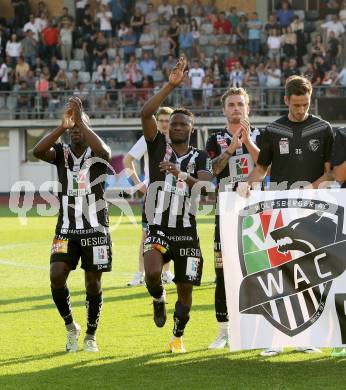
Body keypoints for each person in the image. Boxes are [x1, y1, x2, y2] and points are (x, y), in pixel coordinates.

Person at [239, 75, 334, 357]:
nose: (301, 109)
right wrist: (249, 182)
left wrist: (310, 189)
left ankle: (307, 335)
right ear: (285, 101)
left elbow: (331, 172)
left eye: (305, 104)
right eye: (296, 105)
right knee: (279, 272)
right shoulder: (272, 130)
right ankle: (275, 338)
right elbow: (262, 168)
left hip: (313, 212)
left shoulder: (323, 129)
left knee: (309, 274)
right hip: (279, 212)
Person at [141, 57, 212, 353]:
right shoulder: (158, 144)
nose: (177, 127)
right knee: (152, 273)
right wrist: (170, 85)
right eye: (174, 123)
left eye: (183, 124)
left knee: (186, 289)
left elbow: (207, 187)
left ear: (191, 130)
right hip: (158, 225)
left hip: (186, 230)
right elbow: (145, 113)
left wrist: (182, 174)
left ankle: (178, 336)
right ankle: (158, 298)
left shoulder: (201, 156)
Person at [32, 97, 112, 353]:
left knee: (93, 284)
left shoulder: (96, 153)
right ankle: (70, 327)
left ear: (88, 128)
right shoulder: (62, 153)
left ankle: (90, 334)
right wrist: (62, 127)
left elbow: (106, 153)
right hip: (66, 229)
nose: (76, 129)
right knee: (56, 276)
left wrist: (81, 121)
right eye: (74, 126)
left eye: (81, 125)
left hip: (95, 229)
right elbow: (37, 151)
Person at [205, 87, 261, 349]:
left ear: (247, 107)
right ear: (224, 109)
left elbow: (268, 165)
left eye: (240, 104)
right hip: (225, 212)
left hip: (257, 213)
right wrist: (232, 149)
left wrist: (247, 142)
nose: (236, 108)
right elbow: (212, 171)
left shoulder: (262, 134)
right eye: (231, 105)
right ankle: (223, 331)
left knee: (260, 268)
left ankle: (260, 328)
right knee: (222, 271)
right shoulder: (215, 139)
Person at [124, 106, 175, 287]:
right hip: (153, 193)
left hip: (173, 193)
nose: (164, 124)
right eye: (160, 120)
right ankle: (140, 273)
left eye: (167, 121)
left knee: (169, 233)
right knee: (146, 234)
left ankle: (167, 272)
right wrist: (139, 185)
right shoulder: (149, 138)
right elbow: (127, 160)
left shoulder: (178, 139)